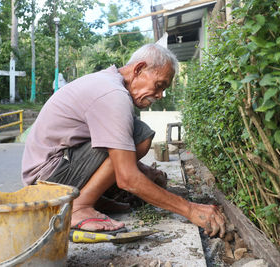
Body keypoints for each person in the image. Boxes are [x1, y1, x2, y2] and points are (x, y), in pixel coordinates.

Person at [21, 43, 225, 237]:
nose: (161, 95)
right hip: (48, 180)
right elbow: (126, 177)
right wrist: (189, 209)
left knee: (134, 132)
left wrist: (148, 172)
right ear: (139, 69)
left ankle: (94, 198)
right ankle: (80, 207)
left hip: (49, 174)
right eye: (159, 85)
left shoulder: (107, 81)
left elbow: (116, 151)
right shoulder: (114, 95)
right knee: (140, 135)